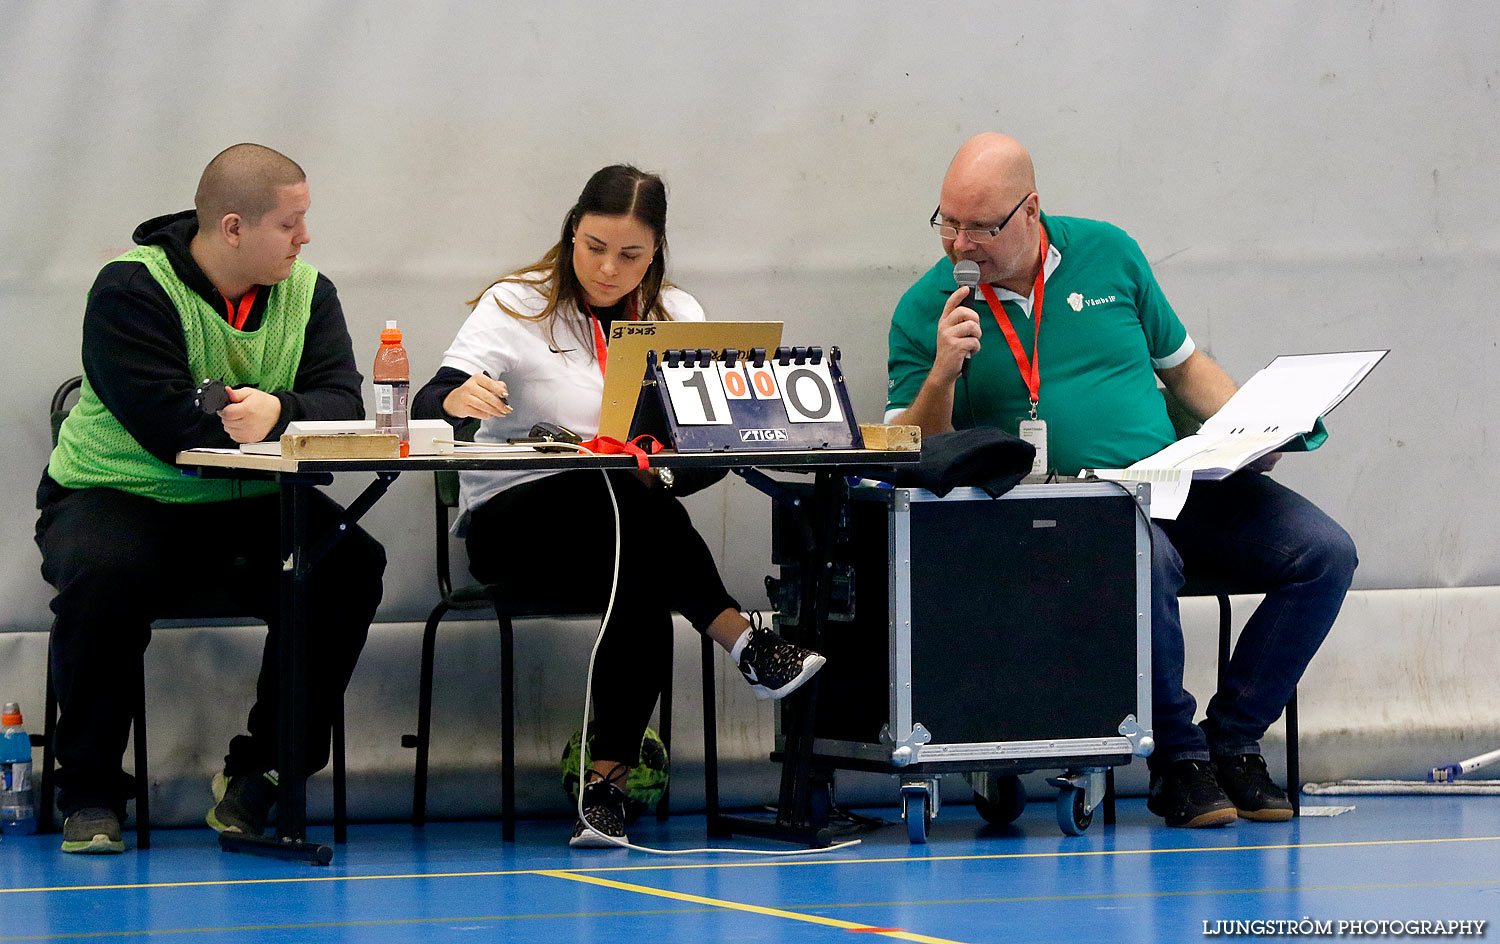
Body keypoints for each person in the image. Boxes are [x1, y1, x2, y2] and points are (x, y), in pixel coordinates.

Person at [886, 133, 1357, 828]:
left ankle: (1233, 739)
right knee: (1146, 559)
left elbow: (1186, 367)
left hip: (1172, 480)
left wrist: (1252, 432)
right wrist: (941, 376)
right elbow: (909, 454)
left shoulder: (1110, 253)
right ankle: (1178, 761)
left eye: (981, 227)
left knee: (1323, 554)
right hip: (1060, 513)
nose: (961, 245)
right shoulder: (927, 308)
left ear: (1031, 210)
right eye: (948, 224)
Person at [412, 164, 825, 848]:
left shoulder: (678, 317)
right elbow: (432, 395)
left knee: (635, 567)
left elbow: (702, 448)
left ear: (656, 251)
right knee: (604, 487)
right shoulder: (517, 303)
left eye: (631, 255)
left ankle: (603, 796)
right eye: (595, 246)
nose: (608, 269)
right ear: (572, 230)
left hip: (622, 529)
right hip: (514, 524)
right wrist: (456, 399)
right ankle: (741, 637)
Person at [35, 143, 386, 854]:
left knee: (348, 565)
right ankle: (91, 790)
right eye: (290, 223)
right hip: (119, 493)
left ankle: (263, 777)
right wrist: (269, 417)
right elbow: (168, 425)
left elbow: (343, 399)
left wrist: (277, 410)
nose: (305, 237)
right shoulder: (130, 289)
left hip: (248, 504)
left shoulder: (309, 291)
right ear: (232, 227)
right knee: (105, 573)